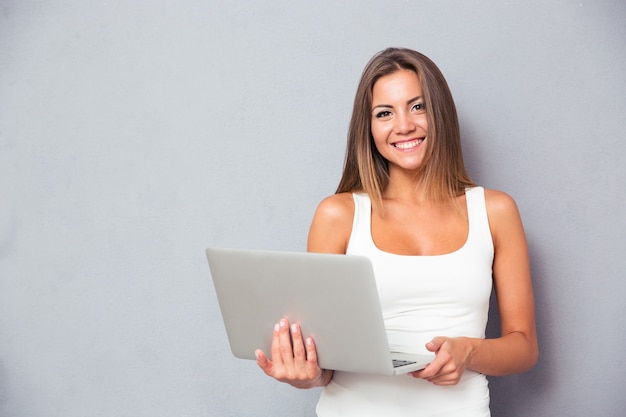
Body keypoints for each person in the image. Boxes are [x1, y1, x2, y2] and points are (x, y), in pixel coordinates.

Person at [255, 47, 538, 416]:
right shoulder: (338, 215)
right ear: (369, 128)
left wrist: (469, 351)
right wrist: (305, 375)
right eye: (384, 113)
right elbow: (325, 364)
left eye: (417, 106)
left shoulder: (495, 212)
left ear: (440, 113)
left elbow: (524, 347)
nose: (403, 125)